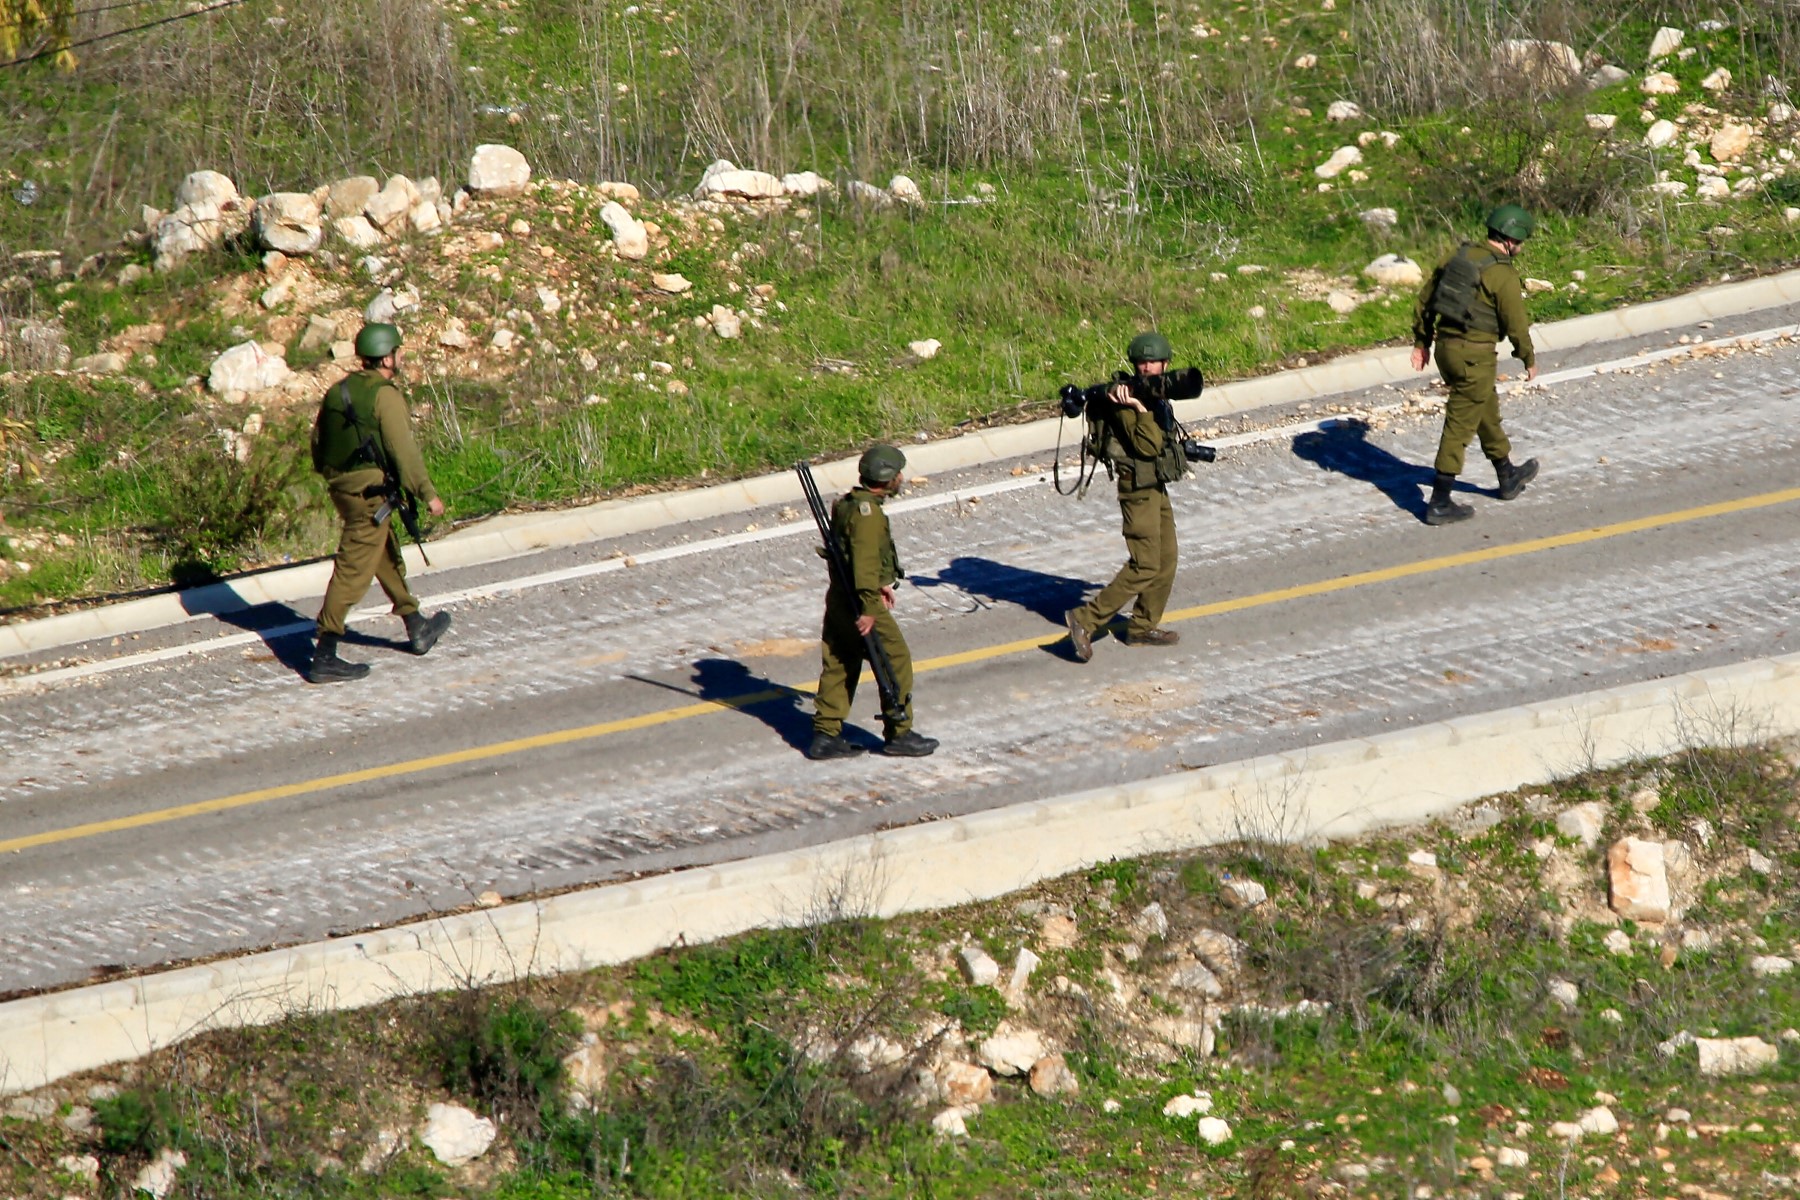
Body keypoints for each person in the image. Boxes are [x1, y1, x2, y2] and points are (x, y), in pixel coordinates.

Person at [306, 321, 451, 684]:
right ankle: (324, 651)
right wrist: (427, 492)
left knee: (383, 553)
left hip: (345, 490)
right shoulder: (385, 396)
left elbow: (318, 444)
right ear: (387, 357)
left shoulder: (338, 392)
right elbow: (404, 450)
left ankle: (415, 625)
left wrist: (338, 479)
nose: (401, 356)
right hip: (369, 495)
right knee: (354, 569)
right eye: (398, 351)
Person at [1064, 331, 1194, 663]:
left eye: (1154, 362)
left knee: (1167, 559)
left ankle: (1141, 626)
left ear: (1166, 363)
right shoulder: (1126, 400)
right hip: (1137, 490)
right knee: (1144, 565)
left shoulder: (1155, 394)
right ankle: (1085, 619)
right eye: (1143, 362)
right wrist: (1137, 407)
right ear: (1135, 365)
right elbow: (1146, 447)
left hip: (1155, 485)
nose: (1149, 367)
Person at [1410, 203, 1542, 526]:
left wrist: (1421, 341)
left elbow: (1425, 300)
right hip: (1475, 356)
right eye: (1521, 242)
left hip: (1446, 350)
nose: (1521, 248)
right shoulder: (1502, 273)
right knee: (1459, 424)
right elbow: (1516, 323)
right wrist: (1528, 358)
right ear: (1510, 240)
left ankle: (1506, 474)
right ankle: (1439, 502)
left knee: (1484, 407)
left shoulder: (1457, 257)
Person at [808, 444, 939, 760]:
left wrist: (879, 583)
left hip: (840, 596)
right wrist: (869, 606)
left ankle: (825, 734)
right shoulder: (869, 516)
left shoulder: (848, 505)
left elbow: (850, 555)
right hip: (859, 601)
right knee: (894, 660)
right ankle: (899, 731)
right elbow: (864, 563)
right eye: (897, 474)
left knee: (840, 661)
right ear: (886, 477)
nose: (901, 477)